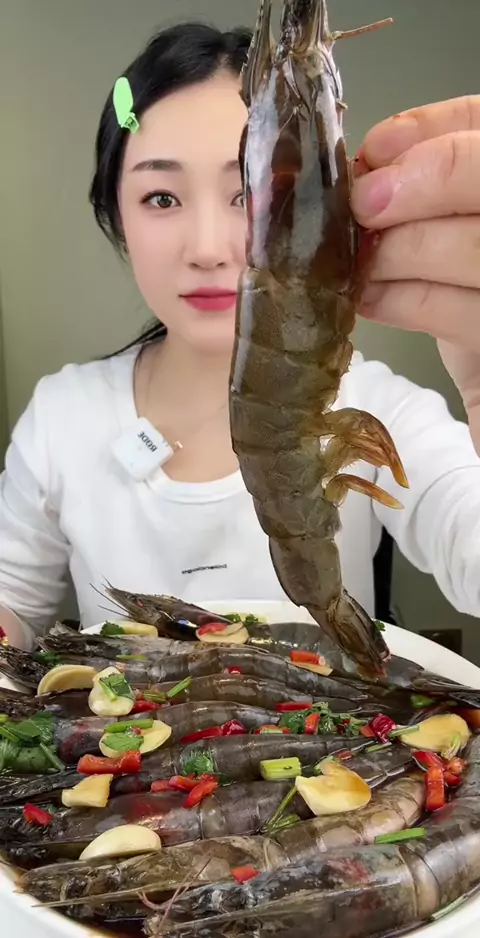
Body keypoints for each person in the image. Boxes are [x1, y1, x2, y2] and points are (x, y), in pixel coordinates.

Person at [1, 22, 479, 650]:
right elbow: (13, 606)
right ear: (114, 213)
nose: (207, 249)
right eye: (162, 197)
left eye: (250, 193)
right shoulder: (59, 416)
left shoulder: (384, 405)